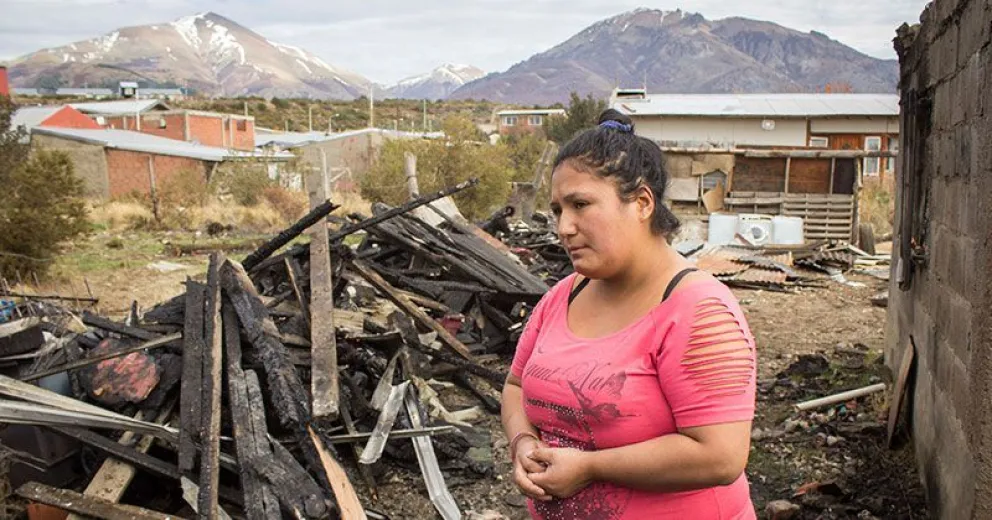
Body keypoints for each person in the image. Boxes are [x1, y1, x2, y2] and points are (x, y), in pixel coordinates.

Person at [501, 109, 757, 519]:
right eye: (558, 210)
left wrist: (590, 467)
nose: (564, 227)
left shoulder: (699, 311)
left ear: (641, 203)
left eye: (581, 204)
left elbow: (721, 456)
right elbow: (515, 386)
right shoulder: (563, 296)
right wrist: (523, 443)